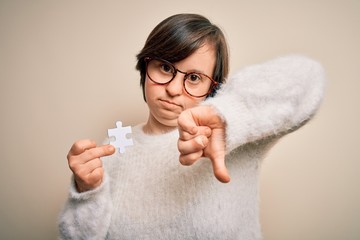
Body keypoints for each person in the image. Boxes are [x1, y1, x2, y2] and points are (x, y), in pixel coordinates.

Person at [58, 13, 325, 239]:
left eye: (194, 77)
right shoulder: (115, 147)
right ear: (145, 65)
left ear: (213, 87)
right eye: (164, 67)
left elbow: (309, 76)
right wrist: (87, 190)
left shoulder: (236, 133)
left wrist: (227, 115)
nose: (174, 89)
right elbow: (78, 236)